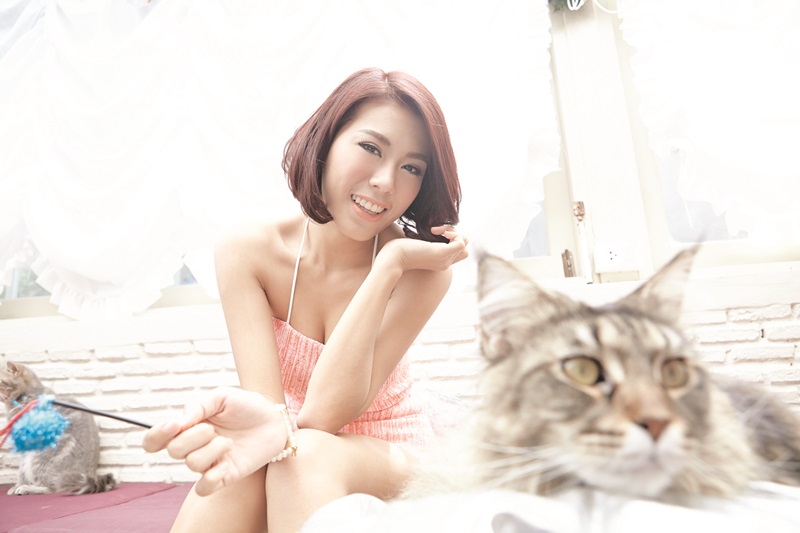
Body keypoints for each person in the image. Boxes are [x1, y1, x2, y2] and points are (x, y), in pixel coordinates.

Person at [142, 67, 468, 533]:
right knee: (241, 471)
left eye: (411, 168)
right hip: (292, 448)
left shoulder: (421, 271)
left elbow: (323, 416)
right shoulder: (247, 251)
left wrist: (390, 264)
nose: (385, 181)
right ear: (326, 141)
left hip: (390, 453)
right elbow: (271, 418)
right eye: (371, 148)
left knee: (304, 455)